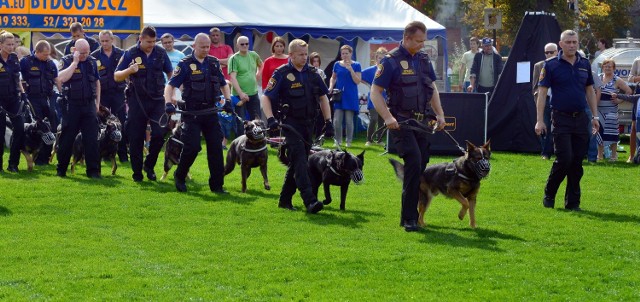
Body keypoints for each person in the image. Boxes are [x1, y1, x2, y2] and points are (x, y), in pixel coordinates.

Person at [370, 21, 446, 231]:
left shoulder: (422, 59)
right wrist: (387, 118)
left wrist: (440, 114)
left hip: (422, 122)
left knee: (421, 162)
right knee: (413, 161)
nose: (422, 45)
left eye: (424, 41)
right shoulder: (390, 61)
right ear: (407, 38)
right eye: (419, 41)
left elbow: (432, 88)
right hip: (401, 122)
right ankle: (409, 218)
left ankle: (410, 214)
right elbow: (375, 92)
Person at [261, 38, 334, 213]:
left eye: (306, 54)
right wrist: (270, 119)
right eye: (301, 55)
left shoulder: (313, 73)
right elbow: (266, 97)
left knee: (296, 163)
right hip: (290, 125)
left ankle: (285, 200)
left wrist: (328, 121)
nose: (304, 57)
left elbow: (324, 97)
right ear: (291, 55)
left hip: (309, 124)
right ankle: (309, 200)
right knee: (301, 161)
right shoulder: (281, 73)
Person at [534, 30, 599, 211]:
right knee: (564, 159)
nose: (572, 45)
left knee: (577, 162)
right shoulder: (551, 65)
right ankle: (550, 193)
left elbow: (590, 91)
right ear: (560, 44)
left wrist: (595, 116)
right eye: (568, 42)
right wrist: (539, 120)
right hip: (560, 117)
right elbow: (542, 93)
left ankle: (573, 203)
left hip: (581, 118)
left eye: (575, 42)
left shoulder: (585, 64)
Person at [164, 33, 232, 193]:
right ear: (194, 46)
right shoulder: (185, 64)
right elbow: (170, 86)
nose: (206, 50)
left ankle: (217, 186)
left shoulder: (214, 63)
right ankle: (179, 175)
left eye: (208, 46)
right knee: (192, 147)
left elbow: (224, 84)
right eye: (203, 47)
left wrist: (228, 101)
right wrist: (168, 103)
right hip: (191, 113)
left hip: (210, 112)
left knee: (216, 148)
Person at [115, 26, 173, 182]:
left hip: (157, 100)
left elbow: (170, 73)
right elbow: (117, 76)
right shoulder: (131, 53)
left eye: (154, 41)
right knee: (136, 137)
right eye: (149, 41)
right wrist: (129, 71)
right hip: (137, 100)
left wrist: (172, 92)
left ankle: (149, 165)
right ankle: (137, 173)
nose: (152, 44)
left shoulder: (160, 53)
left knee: (160, 134)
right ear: (141, 39)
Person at [55, 39, 102, 178]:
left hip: (88, 105)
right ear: (75, 50)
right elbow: (60, 79)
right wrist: (75, 63)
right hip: (72, 105)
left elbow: (97, 82)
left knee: (92, 139)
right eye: (82, 53)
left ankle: (93, 171)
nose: (84, 56)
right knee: (67, 139)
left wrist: (97, 103)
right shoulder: (66, 60)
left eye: (87, 53)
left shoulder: (92, 62)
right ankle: (61, 169)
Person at [19, 40, 62, 165]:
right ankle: (37, 156)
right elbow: (18, 78)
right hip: (32, 98)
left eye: (48, 54)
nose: (47, 56)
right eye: (44, 54)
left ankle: (45, 157)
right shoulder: (26, 62)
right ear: (37, 52)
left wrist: (62, 94)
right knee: (39, 125)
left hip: (47, 98)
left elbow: (56, 79)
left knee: (52, 124)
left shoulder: (50, 63)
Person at [92, 30, 128, 162]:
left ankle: (123, 155)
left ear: (112, 40)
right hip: (103, 94)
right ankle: (104, 153)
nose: (104, 43)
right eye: (102, 41)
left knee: (121, 123)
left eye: (107, 41)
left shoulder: (122, 54)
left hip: (118, 93)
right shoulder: (95, 56)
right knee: (103, 124)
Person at [0, 31, 25, 173]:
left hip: (14, 98)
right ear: (1, 44)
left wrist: (23, 93)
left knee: (20, 128)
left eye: (13, 44)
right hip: (0, 99)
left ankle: (13, 164)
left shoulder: (15, 58)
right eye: (8, 44)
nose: (11, 47)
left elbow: (17, 78)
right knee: (0, 131)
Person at [596, 59, 631, 161]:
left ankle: (613, 155)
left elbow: (629, 91)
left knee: (612, 132)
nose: (607, 68)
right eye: (605, 66)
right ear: (602, 67)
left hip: (611, 110)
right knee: (599, 132)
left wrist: (619, 100)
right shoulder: (598, 78)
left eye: (609, 66)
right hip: (599, 109)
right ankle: (600, 155)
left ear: (614, 68)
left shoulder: (617, 80)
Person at [328, 45, 361, 147]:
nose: (345, 55)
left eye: (347, 53)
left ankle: (348, 141)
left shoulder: (356, 65)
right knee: (337, 120)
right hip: (339, 95)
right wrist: (330, 87)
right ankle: (337, 141)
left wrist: (350, 70)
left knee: (348, 120)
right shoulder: (337, 64)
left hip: (350, 95)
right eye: (343, 53)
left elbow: (358, 81)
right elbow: (333, 78)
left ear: (351, 54)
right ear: (340, 54)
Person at [228, 35, 263, 126]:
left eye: (246, 44)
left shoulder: (253, 55)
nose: (244, 46)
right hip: (239, 95)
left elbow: (261, 64)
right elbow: (233, 78)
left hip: (253, 93)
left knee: (257, 120)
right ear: (237, 45)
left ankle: (257, 139)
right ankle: (241, 139)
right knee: (241, 122)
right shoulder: (234, 58)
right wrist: (241, 93)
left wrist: (258, 73)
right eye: (242, 44)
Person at [532, 43, 558, 160]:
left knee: (556, 128)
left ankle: (554, 151)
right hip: (545, 100)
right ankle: (545, 153)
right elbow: (535, 86)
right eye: (546, 52)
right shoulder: (539, 66)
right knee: (544, 127)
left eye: (551, 52)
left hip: (558, 100)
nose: (548, 55)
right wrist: (537, 100)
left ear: (557, 52)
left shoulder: (561, 64)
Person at [361, 47, 388, 146]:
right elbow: (359, 76)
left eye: (383, 58)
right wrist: (368, 85)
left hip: (384, 97)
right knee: (374, 118)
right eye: (379, 57)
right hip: (373, 98)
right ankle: (369, 140)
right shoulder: (371, 69)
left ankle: (379, 140)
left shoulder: (387, 70)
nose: (381, 59)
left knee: (382, 119)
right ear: (376, 58)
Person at [310, 51, 327, 138]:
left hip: (319, 97)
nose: (316, 63)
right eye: (314, 61)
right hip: (311, 96)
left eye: (317, 61)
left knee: (320, 118)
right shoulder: (309, 71)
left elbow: (323, 85)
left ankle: (318, 135)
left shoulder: (321, 72)